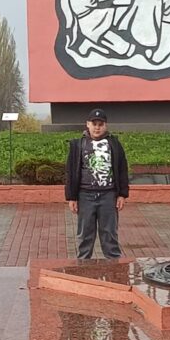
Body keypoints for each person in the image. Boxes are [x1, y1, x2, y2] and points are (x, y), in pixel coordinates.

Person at [65, 108, 129, 259]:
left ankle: (114, 266)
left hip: (108, 195)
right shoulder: (78, 145)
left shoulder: (114, 144)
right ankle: (83, 265)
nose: (97, 127)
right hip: (85, 196)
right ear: (88, 124)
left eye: (101, 124)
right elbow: (70, 172)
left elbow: (122, 169)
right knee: (85, 235)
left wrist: (122, 194)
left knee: (109, 234)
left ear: (105, 125)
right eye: (94, 124)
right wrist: (72, 197)